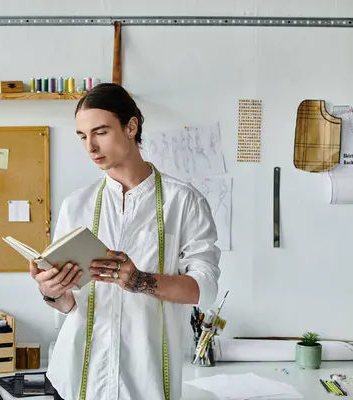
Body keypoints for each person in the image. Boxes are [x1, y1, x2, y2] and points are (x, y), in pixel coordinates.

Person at [29, 83, 221, 400]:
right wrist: (51, 292)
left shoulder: (184, 202)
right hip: (78, 381)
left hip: (146, 382)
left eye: (100, 132)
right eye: (82, 136)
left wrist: (140, 281)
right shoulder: (76, 205)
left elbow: (206, 288)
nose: (90, 146)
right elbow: (68, 306)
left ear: (131, 126)